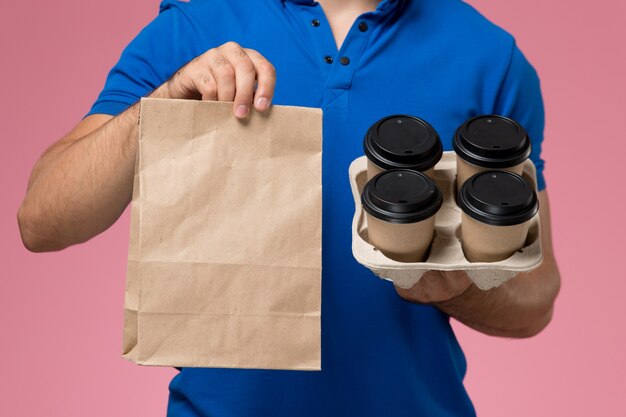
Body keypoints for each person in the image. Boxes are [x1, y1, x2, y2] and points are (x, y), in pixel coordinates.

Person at [17, 0, 561, 415]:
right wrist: (159, 107)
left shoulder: (490, 58)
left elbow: (534, 298)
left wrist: (462, 287)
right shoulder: (194, 25)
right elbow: (41, 218)